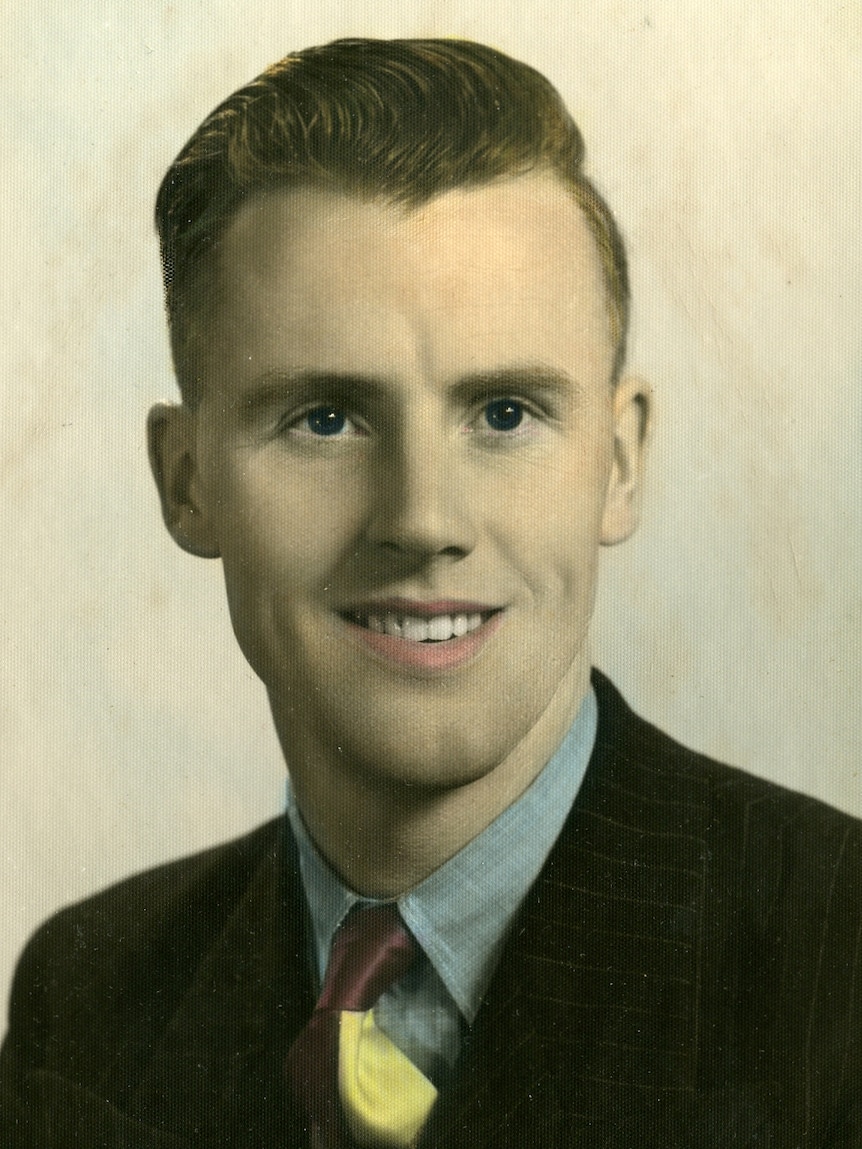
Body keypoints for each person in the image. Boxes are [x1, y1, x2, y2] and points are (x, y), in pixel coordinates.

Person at [1, 37, 859, 1149]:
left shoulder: (835, 967)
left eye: (504, 412)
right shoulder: (90, 994)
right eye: (326, 418)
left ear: (621, 460)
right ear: (186, 482)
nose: (422, 520)